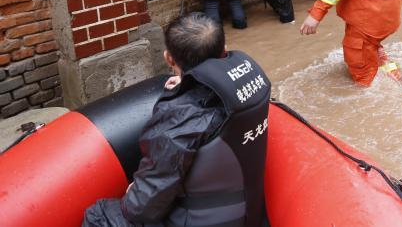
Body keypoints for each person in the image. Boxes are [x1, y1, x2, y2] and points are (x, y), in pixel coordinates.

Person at [83, 13, 271, 227]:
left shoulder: (180, 118)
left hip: (201, 221)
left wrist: (131, 193)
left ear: (168, 58)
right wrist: (186, 84)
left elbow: (142, 208)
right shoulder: (252, 86)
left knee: (98, 214)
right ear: (224, 50)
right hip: (250, 215)